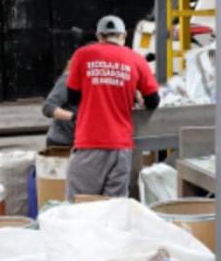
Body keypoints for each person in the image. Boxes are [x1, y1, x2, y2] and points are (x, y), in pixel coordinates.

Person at [65, 15, 160, 200]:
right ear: (123, 36)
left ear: (99, 36)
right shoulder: (136, 59)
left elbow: (72, 98)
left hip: (90, 144)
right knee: (114, 211)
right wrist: (133, 94)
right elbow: (153, 101)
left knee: (80, 208)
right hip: (121, 148)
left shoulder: (83, 55)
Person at [42, 61, 76, 149]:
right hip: (62, 142)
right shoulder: (69, 78)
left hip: (83, 142)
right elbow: (48, 107)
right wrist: (75, 117)